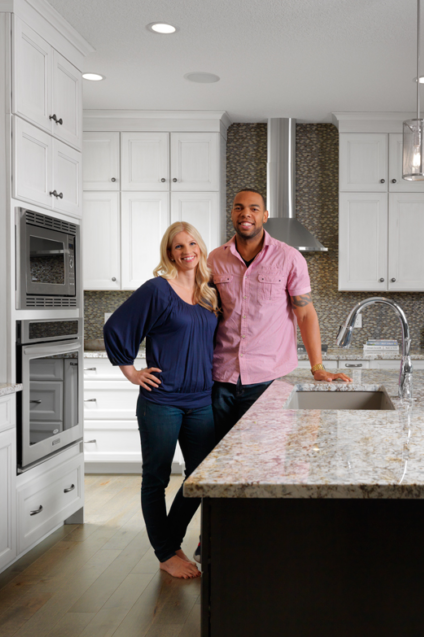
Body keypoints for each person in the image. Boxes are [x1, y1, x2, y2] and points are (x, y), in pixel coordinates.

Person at [104, 221, 219, 580]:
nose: (186, 251)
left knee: (201, 478)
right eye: (177, 247)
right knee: (156, 478)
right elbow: (116, 327)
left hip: (201, 400)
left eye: (191, 244)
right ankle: (166, 553)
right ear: (169, 253)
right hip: (162, 400)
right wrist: (131, 371)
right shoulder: (157, 290)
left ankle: (170, 541)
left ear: (200, 247)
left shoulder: (208, 292)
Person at [208, 187, 351, 443]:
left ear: (265, 216)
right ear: (231, 214)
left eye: (253, 208)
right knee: (219, 460)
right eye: (239, 207)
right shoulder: (214, 259)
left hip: (267, 380)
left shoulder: (289, 258)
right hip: (221, 378)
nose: (245, 214)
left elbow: (305, 314)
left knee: (264, 457)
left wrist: (317, 367)